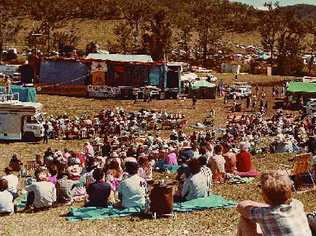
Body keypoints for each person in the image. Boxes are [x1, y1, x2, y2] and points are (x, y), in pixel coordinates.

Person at [236, 170, 312, 236]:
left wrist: (259, 205)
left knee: (245, 218)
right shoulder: (297, 204)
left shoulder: (265, 214)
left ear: (264, 196)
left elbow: (241, 206)